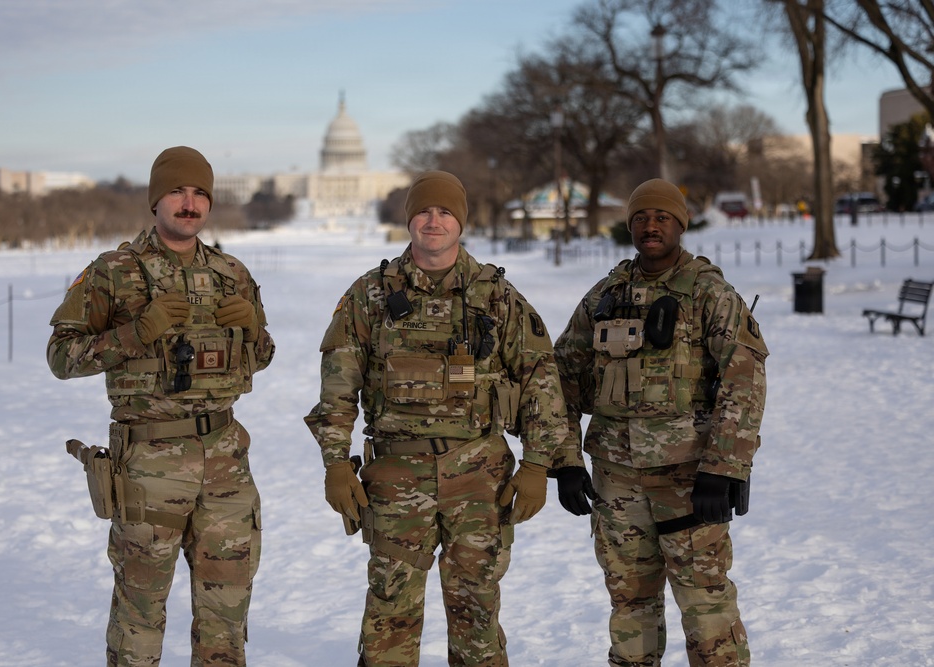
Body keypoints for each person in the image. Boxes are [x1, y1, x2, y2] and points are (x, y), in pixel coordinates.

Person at [304, 170, 578, 667]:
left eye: (445, 212)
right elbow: (338, 385)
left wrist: (539, 465)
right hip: (394, 477)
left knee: (477, 613)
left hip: (478, 478)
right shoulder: (369, 294)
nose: (434, 221)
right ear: (409, 218)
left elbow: (541, 379)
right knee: (389, 615)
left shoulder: (497, 296)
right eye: (424, 211)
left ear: (461, 223)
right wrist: (334, 463)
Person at [47, 146, 275, 666]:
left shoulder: (230, 273)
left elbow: (259, 359)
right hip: (149, 466)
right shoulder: (113, 272)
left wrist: (254, 332)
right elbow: (61, 357)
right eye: (176, 190)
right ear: (156, 200)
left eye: (198, 193)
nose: (188, 202)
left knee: (227, 613)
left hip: (225, 465)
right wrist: (135, 333)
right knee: (139, 614)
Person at [552, 178, 768, 667]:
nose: (651, 226)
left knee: (706, 602)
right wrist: (564, 461)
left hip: (690, 479)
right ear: (630, 225)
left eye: (662, 217)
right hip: (616, 479)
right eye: (641, 218)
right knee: (630, 603)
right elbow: (559, 377)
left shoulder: (709, 293)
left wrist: (724, 468)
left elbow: (744, 379)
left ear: (680, 225)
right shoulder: (606, 294)